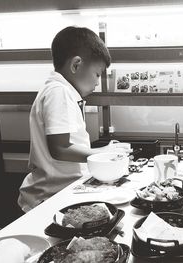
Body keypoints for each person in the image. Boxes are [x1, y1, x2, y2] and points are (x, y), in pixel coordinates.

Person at [18, 26, 113, 212]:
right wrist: (103, 154)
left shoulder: (65, 92)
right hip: (47, 199)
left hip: (60, 193)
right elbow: (60, 148)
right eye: (97, 74)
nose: (97, 82)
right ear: (76, 65)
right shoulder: (58, 92)